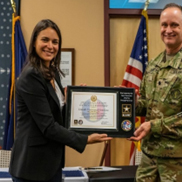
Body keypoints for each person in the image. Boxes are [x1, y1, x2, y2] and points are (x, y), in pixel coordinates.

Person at [9, 19, 112, 182]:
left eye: (55, 42)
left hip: (50, 165)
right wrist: (86, 139)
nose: (50, 46)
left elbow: (56, 114)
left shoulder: (52, 72)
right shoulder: (31, 76)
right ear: (34, 41)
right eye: (45, 40)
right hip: (32, 169)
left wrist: (76, 102)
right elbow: (48, 127)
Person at [128, 3, 182, 182]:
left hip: (180, 164)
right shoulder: (153, 65)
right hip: (150, 160)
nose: (168, 30)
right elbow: (148, 106)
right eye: (164, 25)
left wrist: (153, 126)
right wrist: (131, 102)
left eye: (174, 25)